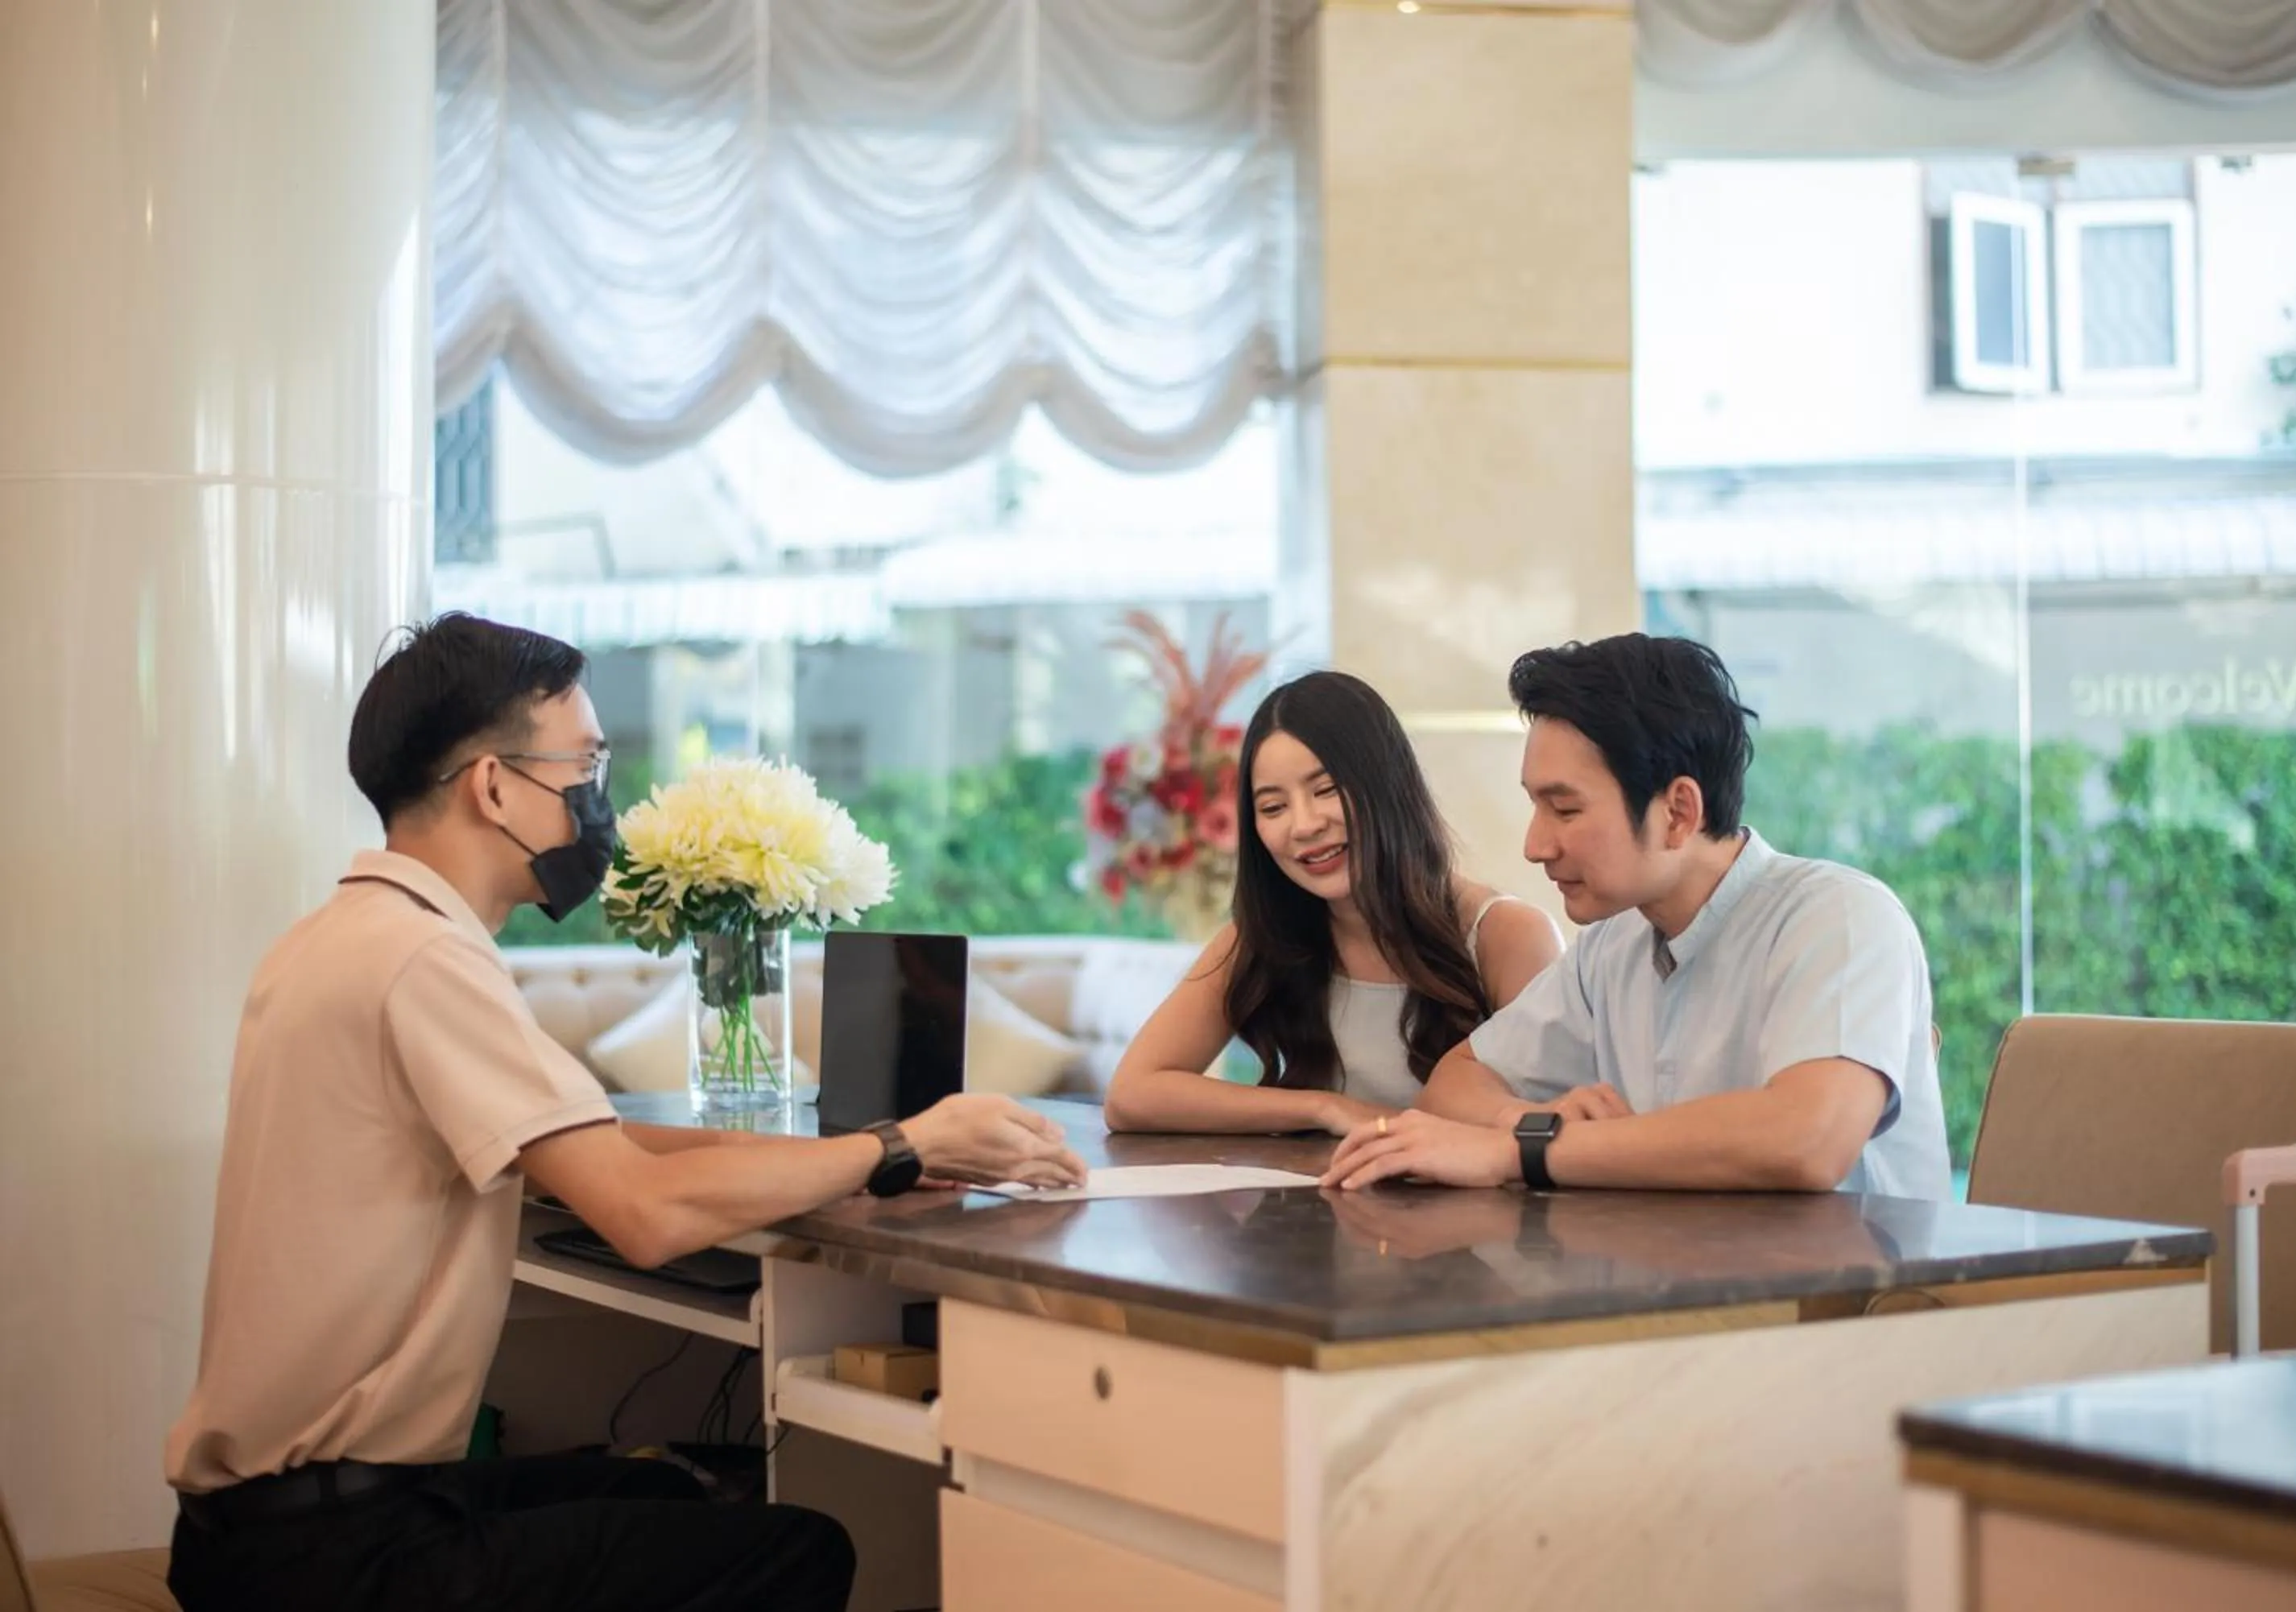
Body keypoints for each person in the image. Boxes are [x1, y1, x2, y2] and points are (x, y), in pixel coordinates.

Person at [163, 614, 1086, 1612]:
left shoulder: (346, 934)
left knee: (655, 1487)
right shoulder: (423, 959)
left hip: (255, 1530)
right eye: (586, 766)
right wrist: (903, 1138)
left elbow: (604, 1139)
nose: (598, 802)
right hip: (338, 1561)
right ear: (493, 785)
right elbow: (642, 1212)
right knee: (795, 1549)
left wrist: (861, 1155)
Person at [1322, 634, 1951, 1200]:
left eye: (1564, 811)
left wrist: (1520, 1152)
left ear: (1678, 811)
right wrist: (1533, 1125)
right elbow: (1454, 1087)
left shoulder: (1839, 917)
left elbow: (1807, 1140)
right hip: (1688, 1293)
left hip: (1854, 1312)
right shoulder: (1614, 944)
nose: (1536, 845)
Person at [1104, 670, 1562, 1136]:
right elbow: (1132, 1094)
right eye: (1273, 807)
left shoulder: (1507, 934)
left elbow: (1547, 1128)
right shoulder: (1262, 936)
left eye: (1325, 790)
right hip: (1323, 1202)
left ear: (1389, 787)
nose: (1304, 826)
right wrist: (1323, 1109)